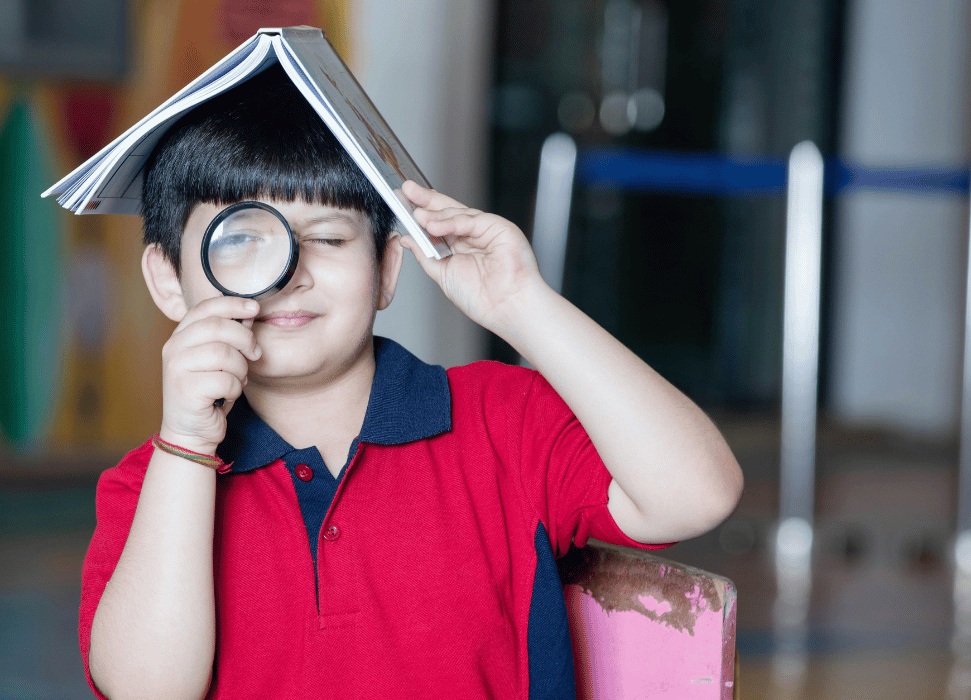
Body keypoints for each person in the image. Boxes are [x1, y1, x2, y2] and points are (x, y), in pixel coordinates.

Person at [78, 65, 743, 700]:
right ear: (169, 280)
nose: (289, 273)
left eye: (330, 239)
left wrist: (523, 304)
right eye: (242, 240)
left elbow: (696, 495)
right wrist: (188, 445)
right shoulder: (155, 484)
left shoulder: (501, 421)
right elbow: (148, 687)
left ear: (388, 268)